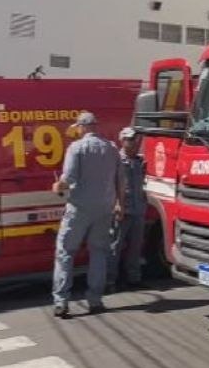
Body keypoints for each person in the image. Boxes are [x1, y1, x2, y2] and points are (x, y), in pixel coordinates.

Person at [50, 111, 123, 318]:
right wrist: (120, 204)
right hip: (105, 208)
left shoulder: (76, 148)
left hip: (79, 207)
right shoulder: (111, 148)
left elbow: (69, 178)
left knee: (65, 252)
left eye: (78, 128)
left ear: (82, 127)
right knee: (98, 252)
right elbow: (120, 179)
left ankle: (61, 302)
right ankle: (95, 300)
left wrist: (58, 186)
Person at [108, 127, 148, 292]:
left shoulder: (140, 161)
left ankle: (134, 279)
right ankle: (110, 282)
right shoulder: (116, 161)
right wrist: (117, 204)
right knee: (115, 246)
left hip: (138, 209)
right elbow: (111, 185)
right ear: (122, 141)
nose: (133, 143)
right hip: (123, 209)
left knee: (135, 247)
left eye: (135, 139)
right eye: (130, 139)